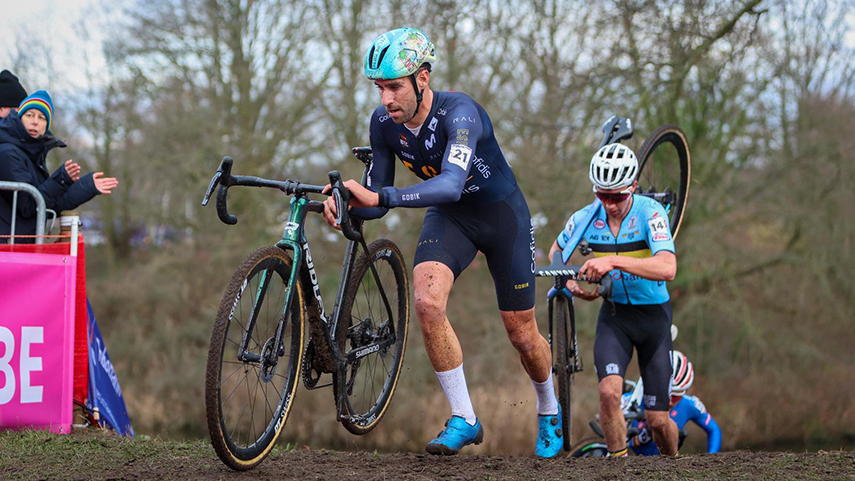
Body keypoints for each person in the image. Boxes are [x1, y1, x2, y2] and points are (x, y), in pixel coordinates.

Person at [321, 28, 562, 458]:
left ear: (423, 78)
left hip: (501, 216)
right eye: (379, 88)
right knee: (427, 302)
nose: (386, 99)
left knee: (522, 334)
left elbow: (451, 184)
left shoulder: (460, 113)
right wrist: (347, 205)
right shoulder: (383, 125)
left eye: (394, 87)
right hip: (450, 218)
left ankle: (548, 407)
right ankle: (465, 417)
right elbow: (379, 200)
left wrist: (383, 197)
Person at [548, 143, 679, 456]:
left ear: (633, 187)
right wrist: (567, 280)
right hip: (615, 317)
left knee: (657, 420)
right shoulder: (584, 218)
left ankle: (675, 466)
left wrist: (613, 261)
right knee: (608, 393)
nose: (609, 204)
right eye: (602, 196)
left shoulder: (651, 212)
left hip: (654, 318)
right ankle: (619, 469)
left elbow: (668, 268)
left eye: (617, 196)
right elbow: (556, 253)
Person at [0, 90, 118, 241]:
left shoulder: (33, 155)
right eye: (30, 115)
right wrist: (60, 178)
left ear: (46, 126)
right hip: (7, 251)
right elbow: (29, 206)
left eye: (42, 118)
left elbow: (48, 205)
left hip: (20, 248)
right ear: (20, 117)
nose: (35, 121)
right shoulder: (7, 153)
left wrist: (87, 186)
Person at [624, 351, 722, 455]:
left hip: (667, 464)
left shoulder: (690, 404)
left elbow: (714, 430)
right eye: (664, 394)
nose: (670, 401)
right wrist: (629, 442)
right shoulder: (631, 400)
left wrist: (711, 456)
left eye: (675, 396)